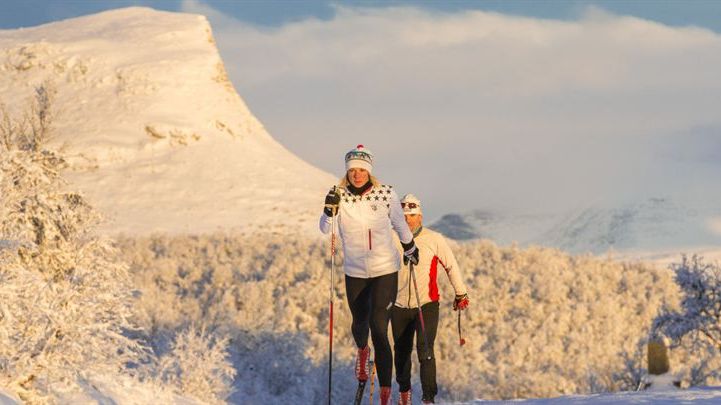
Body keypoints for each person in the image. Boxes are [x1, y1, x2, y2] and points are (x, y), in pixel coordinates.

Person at [320, 145, 419, 405]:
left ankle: (386, 392)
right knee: (360, 323)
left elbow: (399, 224)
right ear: (347, 172)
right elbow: (325, 228)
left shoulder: (385, 193)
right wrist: (328, 209)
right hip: (355, 271)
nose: (357, 174)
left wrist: (410, 247)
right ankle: (362, 352)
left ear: (369, 171)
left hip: (385, 269)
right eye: (353, 170)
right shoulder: (339, 194)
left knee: (379, 327)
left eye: (362, 170)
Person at [391, 194, 469, 405]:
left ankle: (428, 398)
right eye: (404, 215)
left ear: (420, 216)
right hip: (397, 304)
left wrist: (460, 293)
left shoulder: (434, 239)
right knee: (401, 352)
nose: (408, 220)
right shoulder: (390, 238)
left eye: (413, 215)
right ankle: (404, 394)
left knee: (425, 350)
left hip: (426, 303)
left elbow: (451, 265)